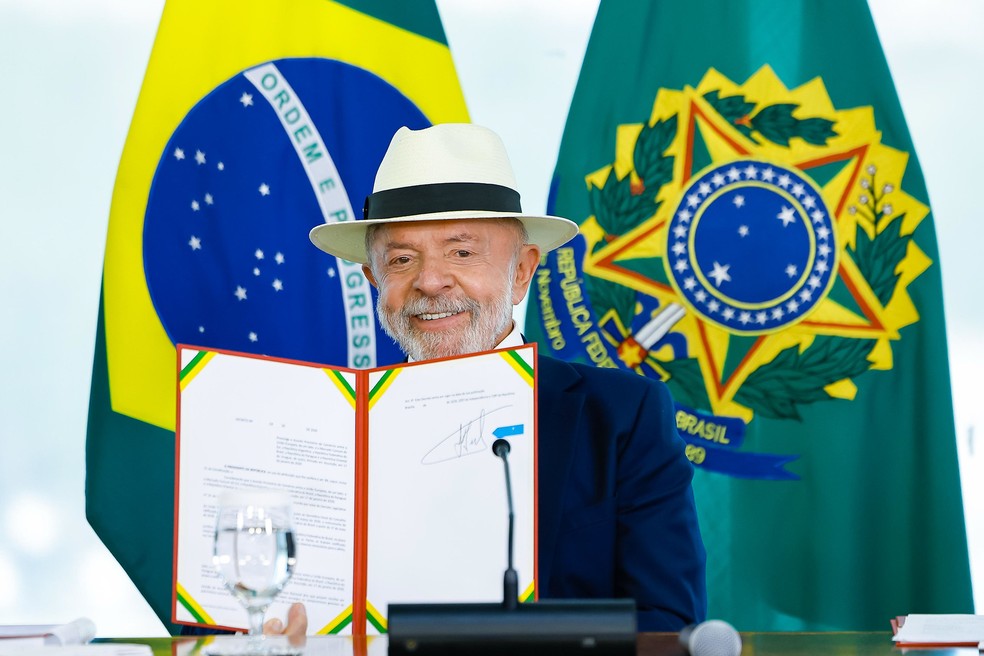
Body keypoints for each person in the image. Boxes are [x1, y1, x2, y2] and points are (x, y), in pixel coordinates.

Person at [286, 123, 706, 635]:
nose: (430, 281)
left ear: (522, 271)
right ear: (375, 279)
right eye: (401, 260)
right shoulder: (321, 432)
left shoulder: (622, 417)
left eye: (462, 252)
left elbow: (667, 625)